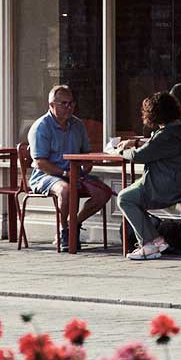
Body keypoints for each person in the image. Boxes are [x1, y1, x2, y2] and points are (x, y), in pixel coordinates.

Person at [116, 91, 181, 261]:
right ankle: (156, 240)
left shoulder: (167, 135)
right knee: (132, 194)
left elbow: (138, 156)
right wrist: (137, 142)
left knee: (125, 198)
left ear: (153, 114)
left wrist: (119, 151)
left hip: (171, 184)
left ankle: (148, 244)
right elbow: (154, 146)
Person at [27, 84, 113, 250]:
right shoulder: (41, 127)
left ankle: (73, 223)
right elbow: (40, 162)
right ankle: (64, 231)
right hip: (46, 175)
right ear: (51, 105)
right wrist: (65, 172)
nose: (69, 107)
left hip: (74, 173)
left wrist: (88, 164)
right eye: (64, 104)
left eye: (71, 103)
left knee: (104, 193)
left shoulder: (78, 124)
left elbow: (85, 153)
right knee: (66, 190)